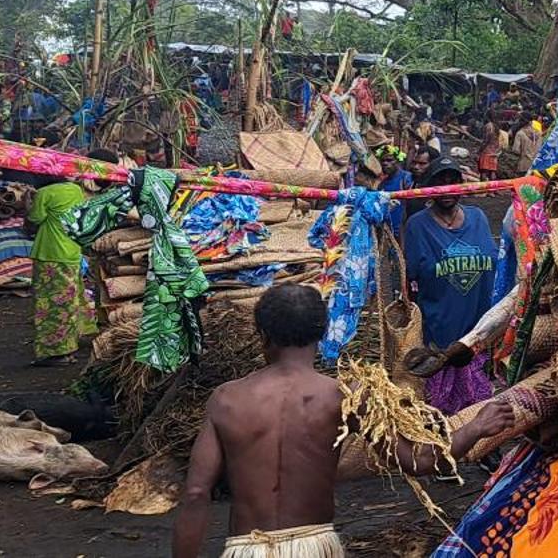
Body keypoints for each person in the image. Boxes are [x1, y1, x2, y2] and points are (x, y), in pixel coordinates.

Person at [173, 284, 511, 558]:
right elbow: (418, 461)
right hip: (315, 545)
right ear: (322, 333)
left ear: (262, 334)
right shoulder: (345, 395)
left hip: (245, 549)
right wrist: (475, 427)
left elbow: (196, 493)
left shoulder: (226, 399)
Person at [401, 157, 511, 414]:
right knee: (441, 410)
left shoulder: (479, 217)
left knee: (480, 406)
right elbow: (409, 278)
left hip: (479, 332)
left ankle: (480, 450)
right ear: (429, 187)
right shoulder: (418, 225)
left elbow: (496, 262)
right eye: (440, 181)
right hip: (439, 334)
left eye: (453, 181)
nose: (447, 188)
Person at [26, 147, 120, 367]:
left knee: (51, 303)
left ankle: (57, 350)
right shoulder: (75, 190)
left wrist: (29, 201)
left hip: (50, 253)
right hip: (72, 251)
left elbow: (35, 219)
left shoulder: (44, 194)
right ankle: (75, 338)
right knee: (70, 297)